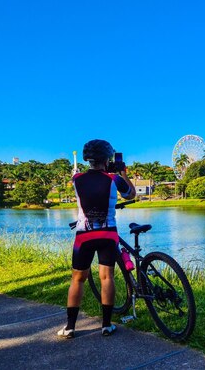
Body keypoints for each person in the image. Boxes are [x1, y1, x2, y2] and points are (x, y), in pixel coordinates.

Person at [58, 139, 136, 338]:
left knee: (77, 279)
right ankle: (106, 325)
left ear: (88, 159)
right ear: (107, 159)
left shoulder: (77, 179)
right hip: (108, 234)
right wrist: (122, 173)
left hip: (84, 236)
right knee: (106, 277)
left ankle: (69, 327)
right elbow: (130, 194)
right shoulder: (113, 179)